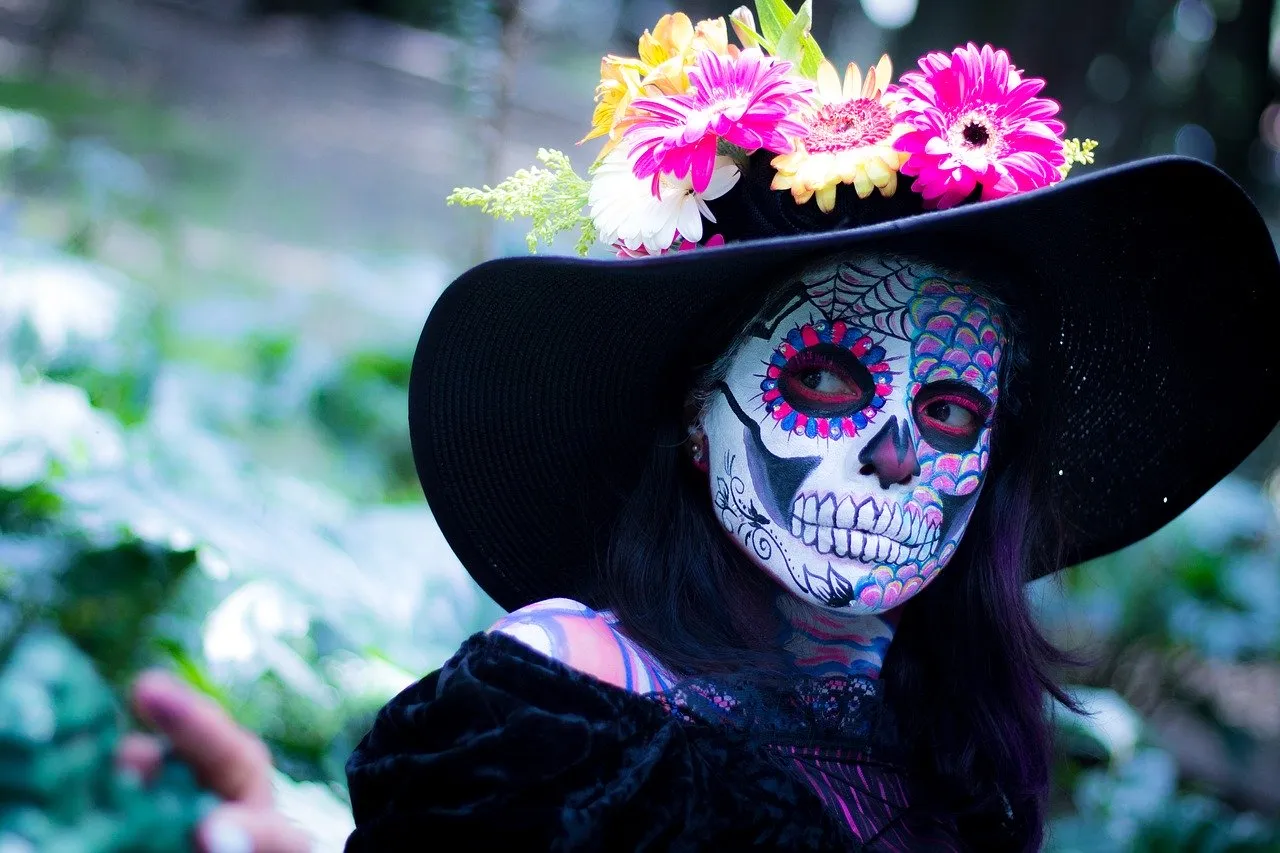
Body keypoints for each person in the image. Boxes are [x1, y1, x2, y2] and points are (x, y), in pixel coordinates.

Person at [121, 6, 1280, 852]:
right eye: (825, 379)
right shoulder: (564, 704)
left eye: (947, 410)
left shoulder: (956, 746)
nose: (891, 454)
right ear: (693, 413)